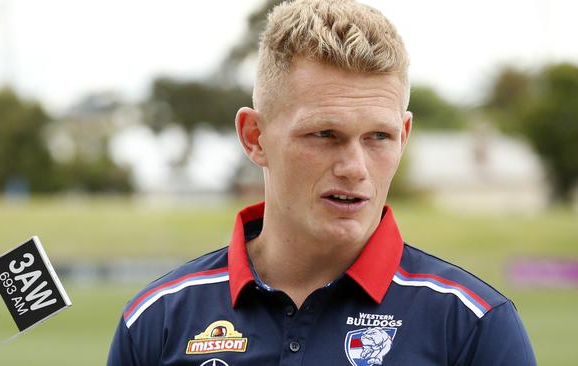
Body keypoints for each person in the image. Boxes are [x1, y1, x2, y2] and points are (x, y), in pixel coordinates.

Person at [108, 0, 537, 365]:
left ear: (404, 136)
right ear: (254, 137)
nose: (355, 167)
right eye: (324, 135)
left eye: (379, 137)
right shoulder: (157, 319)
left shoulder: (472, 325)